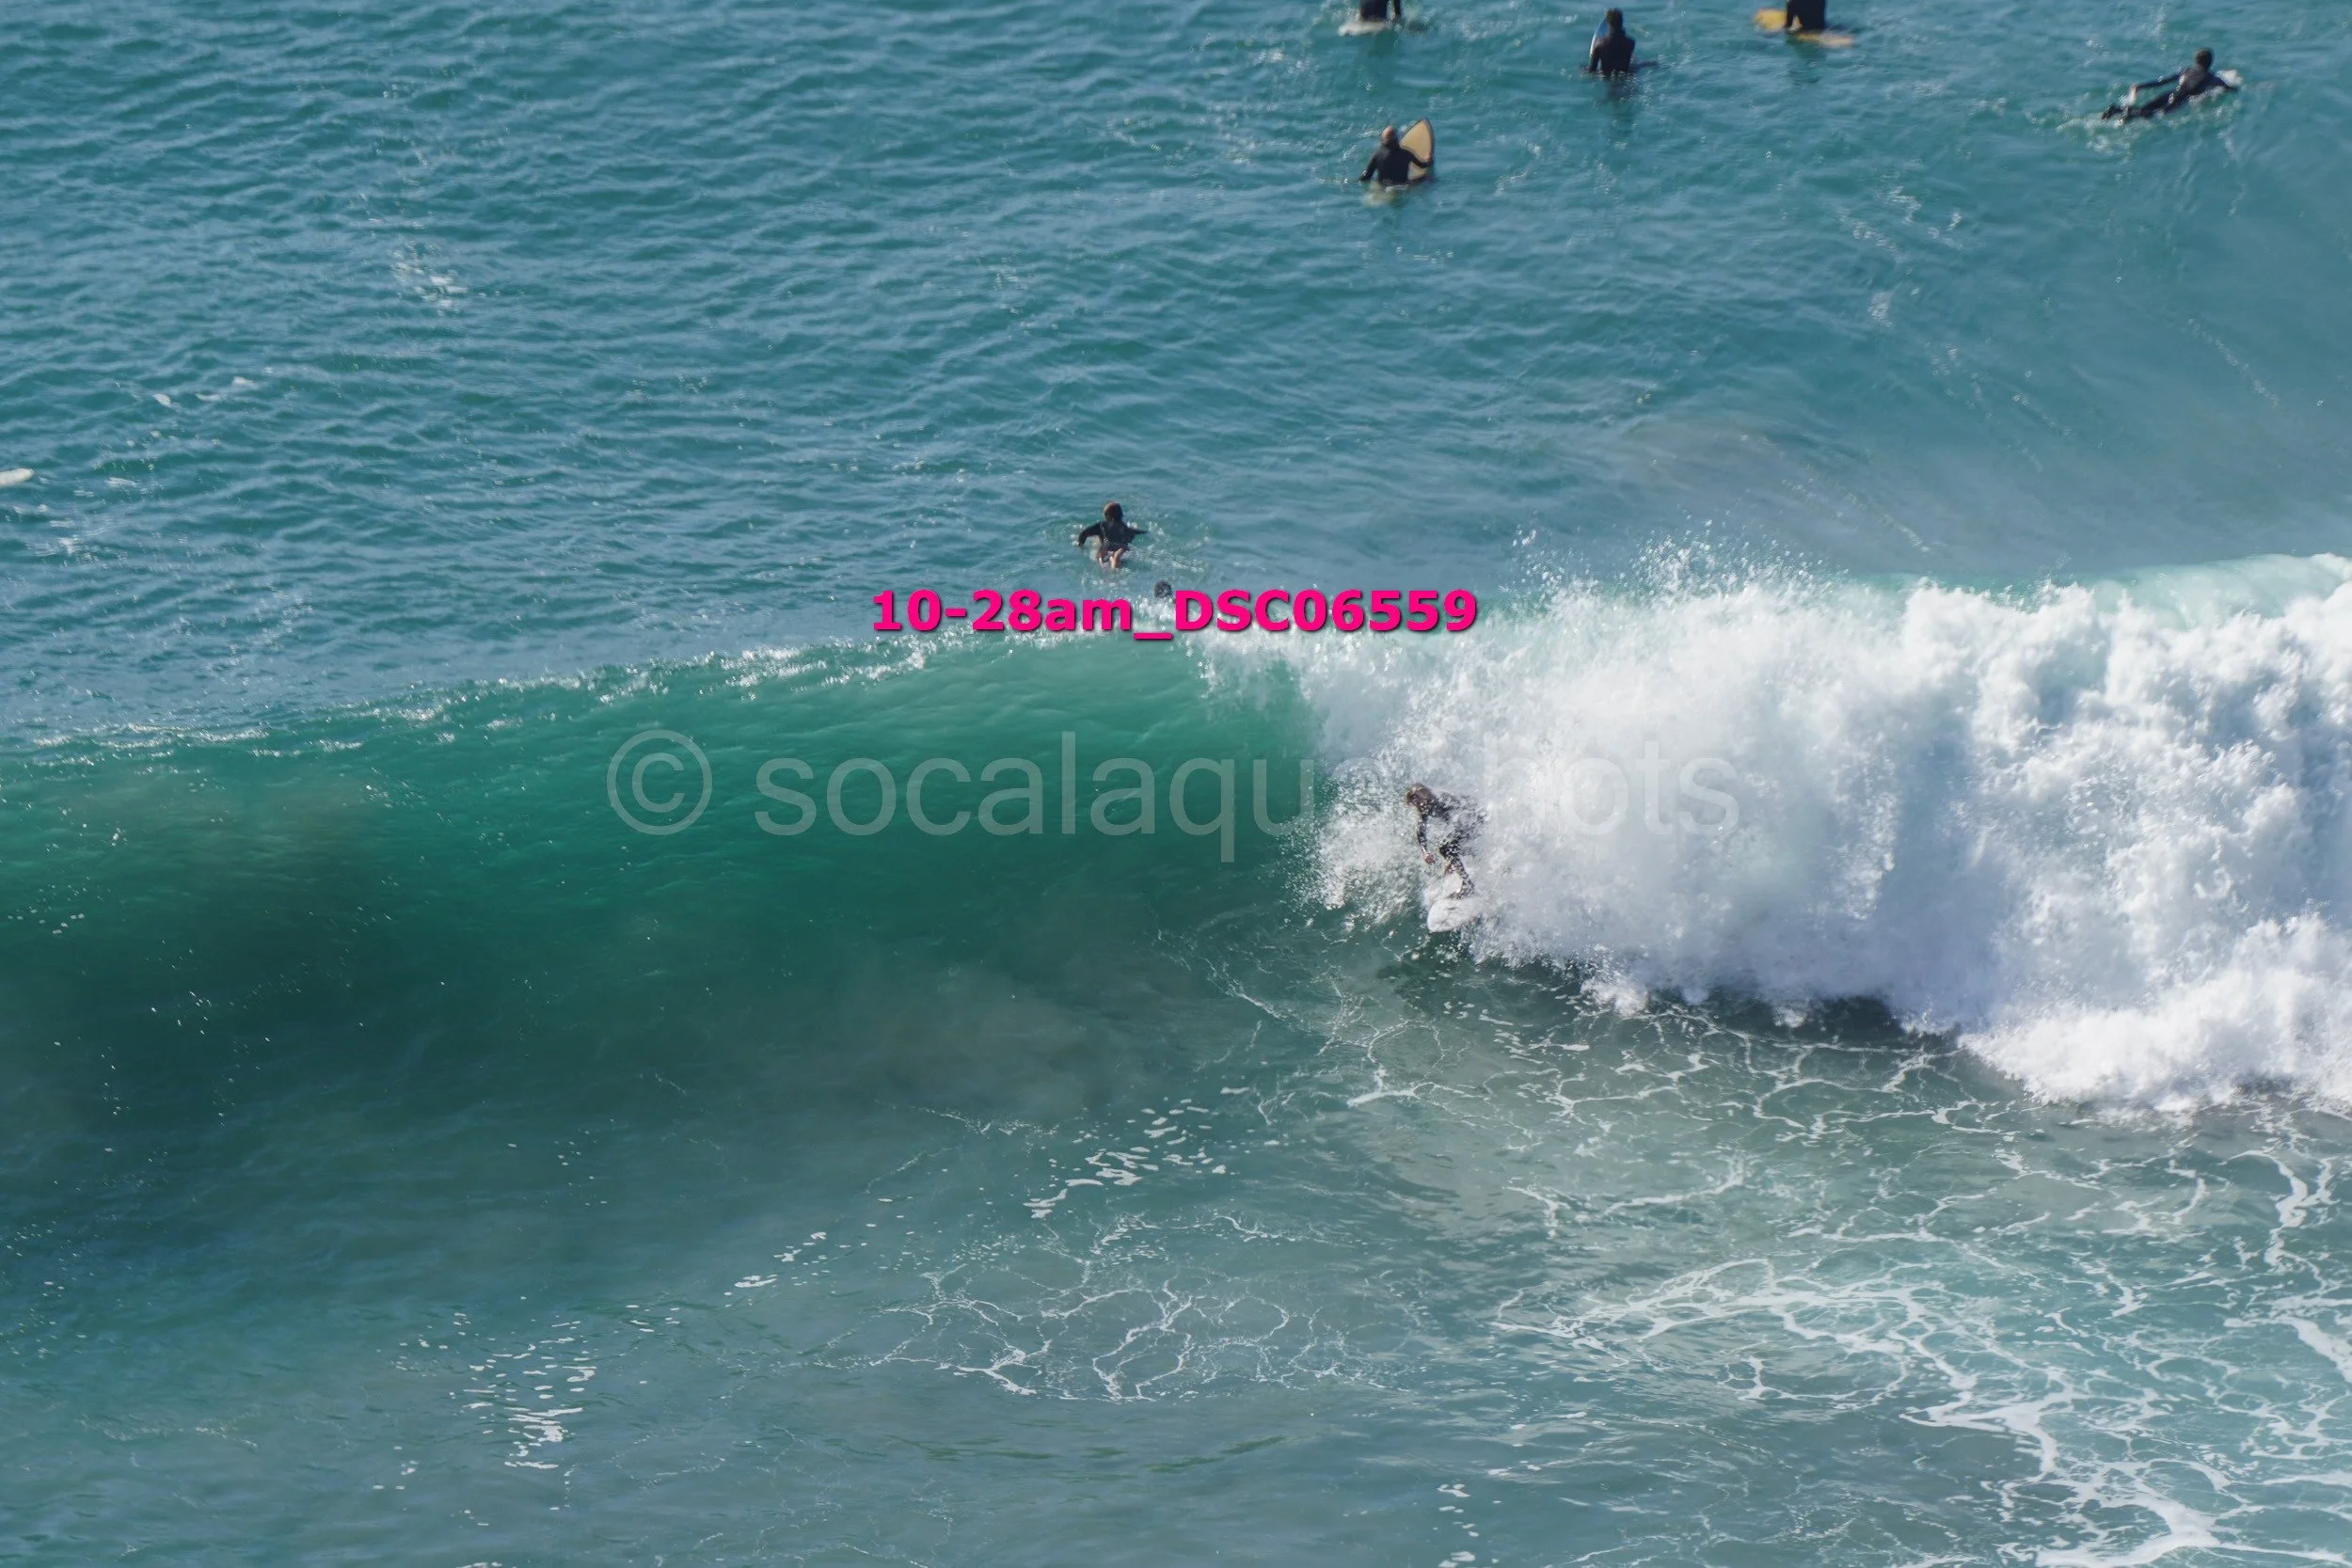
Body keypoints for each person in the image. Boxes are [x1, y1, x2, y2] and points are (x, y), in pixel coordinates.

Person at [2103, 49, 2234, 120]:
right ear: (2211, 63)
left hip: (2170, 93)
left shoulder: (2186, 70)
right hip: (2179, 100)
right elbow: (2229, 88)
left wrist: (2142, 85)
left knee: (2144, 108)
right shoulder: (2212, 78)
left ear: (2195, 61)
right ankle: (2125, 112)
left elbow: (2162, 82)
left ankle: (2119, 110)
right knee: (2154, 114)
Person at [1406, 784, 1479, 891]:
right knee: (1449, 848)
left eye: (1419, 799)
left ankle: (1467, 885)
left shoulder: (1439, 798)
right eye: (1416, 803)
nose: (1419, 804)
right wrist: (1425, 852)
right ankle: (1471, 858)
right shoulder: (1424, 807)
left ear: (1424, 792)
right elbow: (1420, 831)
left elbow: (1459, 814)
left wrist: (1449, 858)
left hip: (1474, 817)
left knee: (1446, 848)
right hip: (1466, 821)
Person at [1076, 501, 1144, 567]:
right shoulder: (1127, 528)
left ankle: (1106, 559)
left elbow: (1083, 533)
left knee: (1101, 555)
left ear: (1107, 516)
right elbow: (1137, 533)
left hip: (1107, 545)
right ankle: (1117, 557)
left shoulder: (1102, 525)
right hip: (1122, 547)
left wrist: (1080, 546)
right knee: (1120, 553)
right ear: (1121, 515)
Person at [1359, 125, 1430, 187]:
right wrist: (1429, 160)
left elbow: (1366, 177)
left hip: (1383, 187)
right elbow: (1423, 166)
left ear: (1383, 141)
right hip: (1403, 186)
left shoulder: (1377, 155)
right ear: (1397, 139)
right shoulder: (1407, 153)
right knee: (1426, 179)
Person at [1587, 8, 1637, 75]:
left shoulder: (1599, 44)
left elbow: (1592, 70)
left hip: (1606, 77)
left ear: (1608, 24)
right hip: (1626, 76)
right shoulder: (1631, 43)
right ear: (1621, 22)